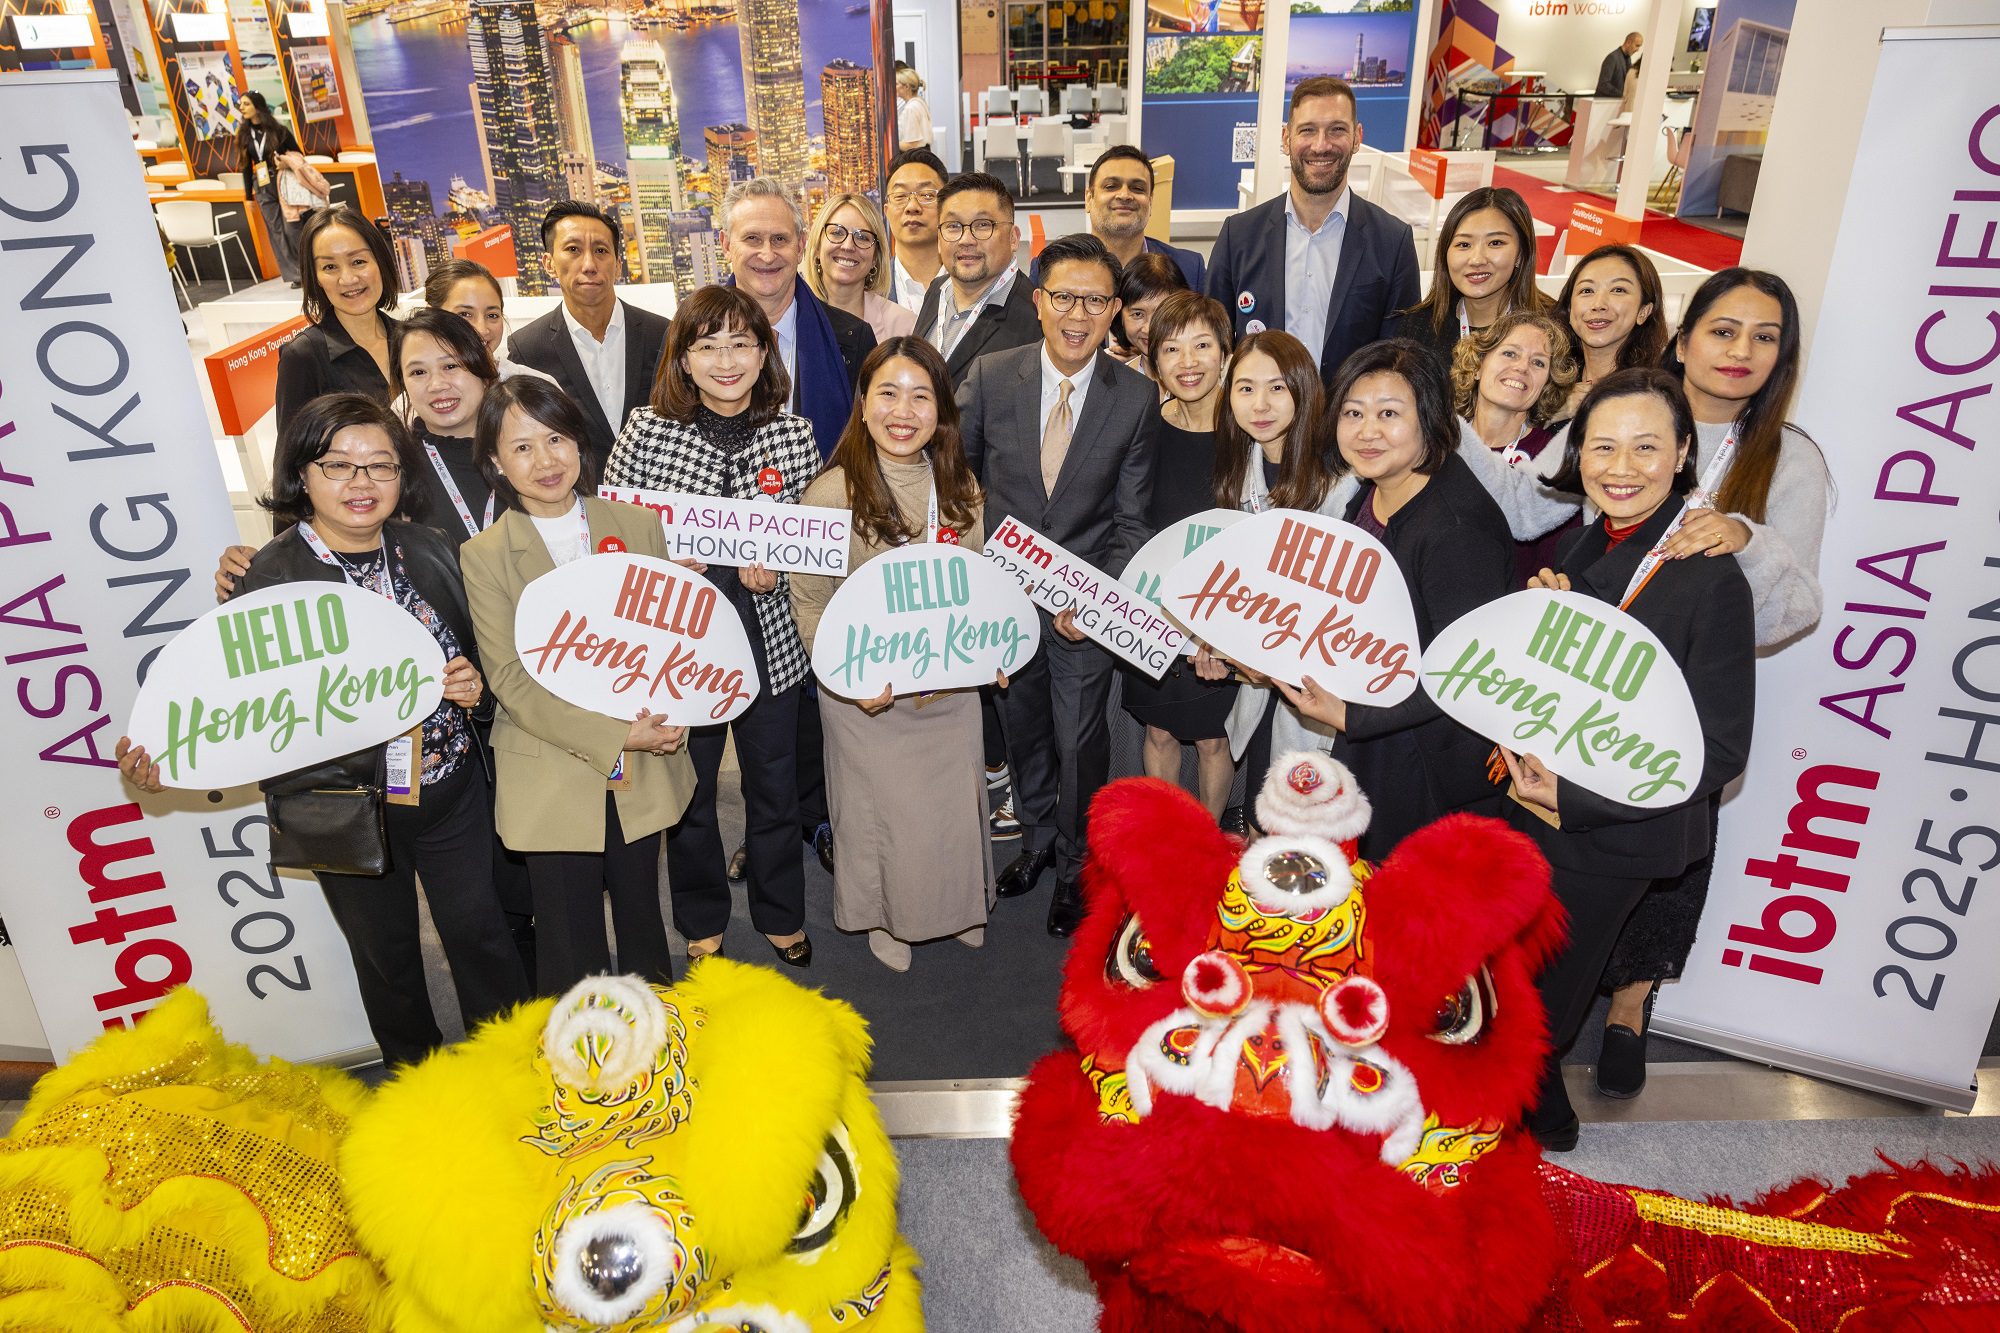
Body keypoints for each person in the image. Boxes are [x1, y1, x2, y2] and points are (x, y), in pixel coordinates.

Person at [119, 394, 529, 1066]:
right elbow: (228, 708)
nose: (361, 484)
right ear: (301, 475)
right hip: (344, 806)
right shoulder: (264, 579)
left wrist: (473, 691)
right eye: (338, 465)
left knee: (482, 934)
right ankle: (418, 1086)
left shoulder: (431, 549)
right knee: (388, 957)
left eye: (381, 466)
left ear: (404, 475)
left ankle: (516, 1065)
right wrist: (165, 757)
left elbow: (481, 660)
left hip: (451, 790)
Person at [1493, 367, 1754, 1151]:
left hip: (1615, 828)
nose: (1621, 466)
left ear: (1683, 455)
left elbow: (1719, 748)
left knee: (1550, 999)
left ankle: (1533, 1133)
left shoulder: (1710, 576)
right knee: (1523, 987)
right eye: (1602, 447)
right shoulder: (1593, 538)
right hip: (1546, 803)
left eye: (1646, 447)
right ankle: (1535, 1110)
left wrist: (1572, 800)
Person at [1593, 268, 1829, 1097]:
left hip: (1688, 695)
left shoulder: (1788, 459)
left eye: (1765, 337)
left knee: (1673, 843)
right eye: (1725, 330)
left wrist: (1745, 539)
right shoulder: (1628, 407)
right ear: (1685, 336)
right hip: (1591, 675)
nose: (1742, 351)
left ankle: (1630, 1004)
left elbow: (1795, 607)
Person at [604, 285, 820, 968]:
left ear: (764, 354)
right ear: (684, 358)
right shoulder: (646, 429)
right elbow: (608, 537)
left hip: (767, 641)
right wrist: (665, 565)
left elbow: (816, 550)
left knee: (774, 786)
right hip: (678, 649)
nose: (726, 360)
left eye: (741, 343)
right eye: (708, 345)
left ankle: (781, 911)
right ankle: (701, 916)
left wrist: (776, 571)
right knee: (688, 791)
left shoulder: (795, 434)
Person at [459, 376, 696, 994]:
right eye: (522, 447)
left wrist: (676, 707)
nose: (545, 461)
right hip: (550, 765)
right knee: (570, 941)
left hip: (645, 761)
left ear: (579, 443)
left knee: (646, 924)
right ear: (495, 462)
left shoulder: (637, 525)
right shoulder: (484, 554)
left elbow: (669, 643)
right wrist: (618, 736)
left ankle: (660, 1060)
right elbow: (508, 677)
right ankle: (583, 1070)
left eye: (556, 438)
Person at [958, 232, 1158, 937]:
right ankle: (1038, 841)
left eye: (1096, 300)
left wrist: (1094, 595)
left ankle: (1076, 868)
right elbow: (962, 485)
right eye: (1065, 296)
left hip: (1082, 611)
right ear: (1038, 302)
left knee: (1080, 745)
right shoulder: (990, 375)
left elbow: (1132, 519)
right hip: (1004, 608)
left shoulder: (1135, 398)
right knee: (1025, 733)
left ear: (1113, 311)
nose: (1079, 314)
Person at [790, 338, 998, 970]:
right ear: (863, 402)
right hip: (867, 694)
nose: (902, 410)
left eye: (920, 395)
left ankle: (959, 904)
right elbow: (810, 601)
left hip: (947, 686)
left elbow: (977, 585)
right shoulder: (830, 494)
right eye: (887, 392)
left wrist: (988, 649)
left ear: (942, 409)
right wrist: (848, 681)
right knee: (883, 816)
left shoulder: (959, 486)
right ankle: (885, 918)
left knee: (952, 810)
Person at [1272, 339, 1514, 861]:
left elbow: (1467, 672)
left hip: (1427, 756)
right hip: (1380, 724)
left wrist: (1352, 717)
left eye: (1389, 413)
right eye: (1353, 413)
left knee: (1406, 905)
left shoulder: (1455, 529)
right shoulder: (1377, 487)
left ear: (1429, 416)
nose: (1367, 431)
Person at [1205, 76, 1420, 390]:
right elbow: (1213, 339)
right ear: (1286, 137)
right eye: (1307, 130)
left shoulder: (1393, 241)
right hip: (1259, 424)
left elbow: (1402, 355)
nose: (1321, 145)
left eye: (1337, 129)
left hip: (1347, 429)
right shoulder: (1238, 236)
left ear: (1357, 137)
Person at [1201, 331, 1339, 808]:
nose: (1260, 403)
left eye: (1277, 387)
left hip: (1321, 682)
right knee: (1265, 807)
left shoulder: (1342, 479)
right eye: (1244, 388)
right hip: (1259, 681)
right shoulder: (1240, 466)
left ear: (1304, 390)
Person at [1120, 292, 1236, 817]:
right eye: (1171, 349)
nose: (1188, 363)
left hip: (1226, 615)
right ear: (1153, 362)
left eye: (1202, 345)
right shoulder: (1143, 426)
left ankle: (1209, 852)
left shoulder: (1247, 431)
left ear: (1226, 353)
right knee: (1159, 730)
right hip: (1154, 608)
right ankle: (1168, 846)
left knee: (1214, 739)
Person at [718, 177, 876, 461]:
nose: (767, 255)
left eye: (780, 239)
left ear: (801, 245)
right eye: (752, 239)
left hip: (825, 499)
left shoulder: (853, 339)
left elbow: (868, 446)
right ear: (726, 245)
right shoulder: (690, 336)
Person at [506, 201, 671, 469]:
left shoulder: (663, 333)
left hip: (658, 496)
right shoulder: (527, 348)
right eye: (573, 250)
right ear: (548, 263)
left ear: (618, 265)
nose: (589, 264)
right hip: (578, 498)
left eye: (601, 251)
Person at [1450, 310, 1581, 584]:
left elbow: (1553, 568)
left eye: (1538, 363)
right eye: (1510, 353)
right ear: (1477, 366)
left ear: (1546, 384)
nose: (1522, 367)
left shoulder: (1552, 461)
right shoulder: (1440, 441)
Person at [1390, 186, 1546, 370]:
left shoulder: (1549, 330)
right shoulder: (1417, 328)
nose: (1477, 259)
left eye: (1495, 243)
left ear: (1521, 254)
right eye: (1464, 244)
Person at [273, 207, 398, 434]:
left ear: (379, 261)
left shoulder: (410, 339)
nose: (348, 279)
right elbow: (288, 458)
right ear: (316, 277)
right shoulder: (303, 357)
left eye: (358, 261)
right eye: (330, 267)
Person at [913, 172, 1041, 386]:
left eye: (983, 225)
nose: (966, 240)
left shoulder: (1035, 320)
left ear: (1013, 238)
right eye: (953, 226)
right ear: (938, 240)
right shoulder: (938, 290)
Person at [1038, 146, 1205, 290]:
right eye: (1111, 186)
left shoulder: (1188, 269)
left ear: (1151, 201)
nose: (1125, 195)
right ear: (1089, 199)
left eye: (1138, 188)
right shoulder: (1050, 266)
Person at [1553, 243, 1667, 418]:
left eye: (1618, 290)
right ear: (1569, 309)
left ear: (1643, 311)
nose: (1598, 305)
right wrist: (1553, 414)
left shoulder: (1653, 394)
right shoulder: (1546, 373)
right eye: (1587, 290)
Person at [423, 257, 559, 385]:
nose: (482, 329)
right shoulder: (414, 396)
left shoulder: (536, 387)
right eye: (465, 314)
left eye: (492, 315)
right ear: (432, 315)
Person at [804, 192, 916, 345]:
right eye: (837, 233)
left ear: (875, 257)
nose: (848, 246)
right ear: (817, 247)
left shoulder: (905, 328)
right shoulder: (792, 317)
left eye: (862, 237)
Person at [235, 91, 309, 285]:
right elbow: (244, 165)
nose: (241, 108)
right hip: (261, 185)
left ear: (257, 107)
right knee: (276, 231)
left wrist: (285, 163)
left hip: (283, 181)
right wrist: (248, 197)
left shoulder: (279, 131)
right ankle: (296, 276)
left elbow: (299, 155)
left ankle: (309, 270)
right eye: (240, 104)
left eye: (246, 104)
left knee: (292, 228)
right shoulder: (244, 134)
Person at [1107, 252, 1190, 379]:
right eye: (1138, 314)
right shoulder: (1113, 381)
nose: (1149, 329)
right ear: (1120, 316)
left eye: (1161, 313)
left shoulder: (1213, 378)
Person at [885, 148, 948, 311]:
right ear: (887, 212)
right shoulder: (869, 290)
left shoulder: (975, 281)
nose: (912, 206)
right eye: (900, 196)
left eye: (927, 195)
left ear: (947, 207)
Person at [1595, 31, 1644, 99]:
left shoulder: (1628, 59)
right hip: (1604, 104)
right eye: (1637, 45)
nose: (1638, 50)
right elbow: (1603, 85)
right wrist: (1622, 95)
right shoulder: (1612, 58)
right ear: (1628, 42)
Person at [896, 66, 933, 152]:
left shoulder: (911, 108)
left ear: (907, 87)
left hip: (915, 156)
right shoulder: (919, 102)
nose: (894, 87)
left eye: (897, 84)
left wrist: (890, 144)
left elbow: (911, 145)